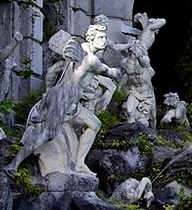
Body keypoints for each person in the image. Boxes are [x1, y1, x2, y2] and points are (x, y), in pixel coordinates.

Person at [7, 19, 120, 177]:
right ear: (91, 38)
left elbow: (52, 71)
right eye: (100, 37)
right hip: (63, 98)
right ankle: (14, 164)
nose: (104, 40)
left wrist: (47, 91)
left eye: (104, 37)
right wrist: (117, 72)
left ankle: (79, 163)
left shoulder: (79, 51)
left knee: (94, 124)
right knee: (48, 134)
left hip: (68, 100)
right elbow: (109, 72)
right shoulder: (91, 60)